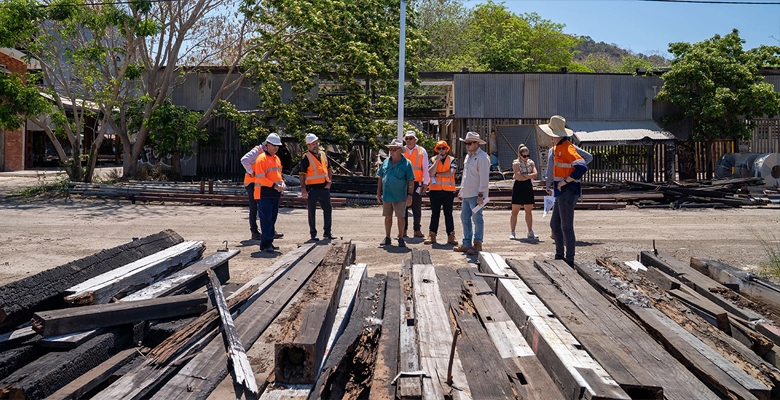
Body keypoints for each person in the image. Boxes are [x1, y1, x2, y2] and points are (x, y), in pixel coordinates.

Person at [540, 115, 588, 267]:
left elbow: (582, 167)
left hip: (567, 191)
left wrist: (565, 181)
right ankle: (560, 256)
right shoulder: (557, 148)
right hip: (561, 191)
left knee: (566, 226)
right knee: (555, 225)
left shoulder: (567, 147)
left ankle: (569, 259)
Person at [453, 131, 490, 256]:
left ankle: (477, 244)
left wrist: (481, 194)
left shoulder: (483, 157)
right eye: (466, 143)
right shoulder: (469, 156)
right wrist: (462, 190)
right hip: (468, 193)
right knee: (465, 218)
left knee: (477, 218)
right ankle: (467, 243)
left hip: (476, 194)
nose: (467, 145)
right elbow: (465, 175)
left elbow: (484, 178)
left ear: (476, 143)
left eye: (469, 143)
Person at [241, 144, 283, 241]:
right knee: (254, 207)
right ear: (266, 146)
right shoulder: (256, 151)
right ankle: (254, 231)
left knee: (268, 210)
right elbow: (244, 160)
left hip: (261, 183)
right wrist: (251, 172)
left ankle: (270, 231)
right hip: (252, 182)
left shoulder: (270, 155)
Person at [377, 138, 415, 247]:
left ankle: (401, 238)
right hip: (387, 195)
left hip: (400, 196)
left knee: (401, 217)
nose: (391, 151)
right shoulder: (385, 162)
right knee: (387, 216)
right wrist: (378, 193)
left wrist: (410, 196)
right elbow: (380, 177)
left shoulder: (407, 164)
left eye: (394, 149)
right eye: (390, 149)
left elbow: (410, 180)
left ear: (400, 150)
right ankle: (387, 237)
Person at [299, 133, 334, 242]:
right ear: (308, 145)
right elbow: (301, 174)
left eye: (316, 143)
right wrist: (303, 189)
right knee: (312, 212)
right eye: (313, 144)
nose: (316, 145)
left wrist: (329, 182)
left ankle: (327, 232)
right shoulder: (306, 157)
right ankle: (313, 234)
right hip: (312, 189)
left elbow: (329, 168)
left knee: (328, 209)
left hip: (324, 188)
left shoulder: (323, 154)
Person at [255, 133, 286, 253]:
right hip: (264, 193)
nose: (276, 148)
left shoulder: (277, 159)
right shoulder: (261, 159)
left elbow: (278, 176)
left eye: (278, 146)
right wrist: (275, 185)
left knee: (272, 219)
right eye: (274, 145)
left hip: (274, 193)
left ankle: (268, 242)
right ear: (267, 145)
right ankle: (266, 243)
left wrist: (282, 183)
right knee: (266, 219)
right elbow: (260, 178)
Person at [424, 140, 459, 246]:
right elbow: (430, 173)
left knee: (448, 214)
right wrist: (436, 162)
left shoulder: (452, 160)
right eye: (439, 148)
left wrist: (437, 175)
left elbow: (451, 173)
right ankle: (432, 235)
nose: (441, 150)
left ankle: (451, 235)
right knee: (435, 214)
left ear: (447, 149)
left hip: (448, 191)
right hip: (435, 190)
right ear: (437, 150)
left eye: (443, 148)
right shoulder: (433, 159)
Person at [402, 131, 430, 238]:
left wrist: (426, 183)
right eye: (407, 139)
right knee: (403, 207)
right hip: (403, 183)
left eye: (411, 138)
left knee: (416, 207)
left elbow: (425, 168)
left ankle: (417, 229)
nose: (409, 141)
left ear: (415, 139)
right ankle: (403, 229)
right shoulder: (402, 151)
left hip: (417, 182)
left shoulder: (422, 151)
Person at [510, 144, 538, 240]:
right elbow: (518, 177)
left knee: (529, 210)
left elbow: (535, 174)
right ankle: (512, 231)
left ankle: (530, 231)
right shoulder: (516, 163)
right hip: (518, 186)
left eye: (528, 155)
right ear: (520, 155)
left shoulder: (531, 162)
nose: (526, 158)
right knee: (515, 211)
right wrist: (528, 175)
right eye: (524, 156)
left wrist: (525, 175)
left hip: (528, 186)